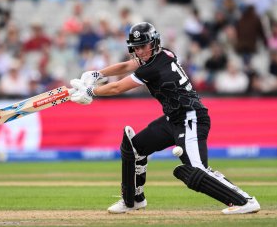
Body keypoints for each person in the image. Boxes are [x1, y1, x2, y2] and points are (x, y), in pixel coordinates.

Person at [69, 22, 261, 214]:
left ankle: (244, 200)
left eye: (143, 46)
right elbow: (127, 65)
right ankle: (134, 200)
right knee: (134, 148)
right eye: (136, 47)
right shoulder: (162, 54)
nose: (140, 51)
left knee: (196, 170)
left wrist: (91, 91)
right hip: (174, 118)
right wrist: (97, 74)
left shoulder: (152, 67)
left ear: (153, 43)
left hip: (190, 118)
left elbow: (117, 87)